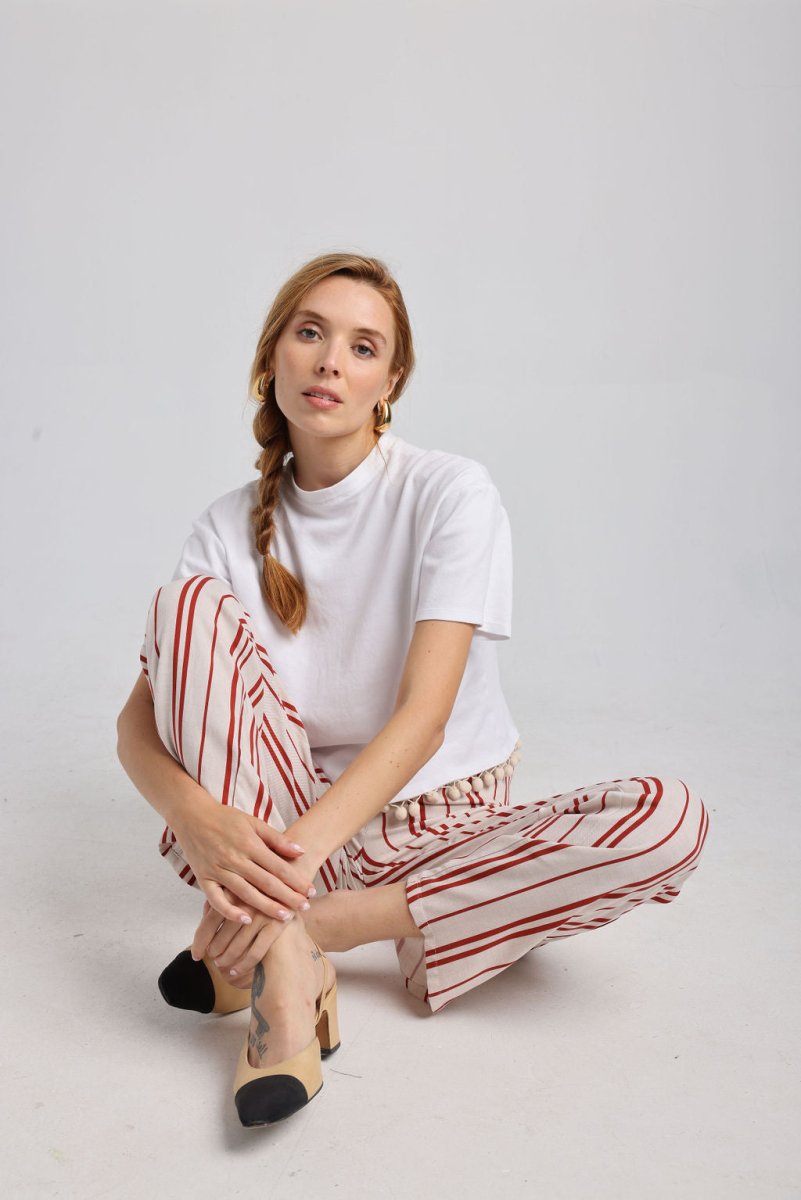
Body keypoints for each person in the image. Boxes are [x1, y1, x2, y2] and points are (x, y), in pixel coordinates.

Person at [116, 251, 710, 1130]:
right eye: (310, 333)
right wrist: (200, 822)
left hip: (430, 827)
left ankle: (303, 933)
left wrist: (285, 883)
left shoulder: (448, 493)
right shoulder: (223, 527)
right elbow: (134, 729)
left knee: (667, 820)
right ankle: (287, 989)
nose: (331, 362)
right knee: (184, 607)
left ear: (389, 382)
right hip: (283, 815)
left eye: (363, 347)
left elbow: (425, 719)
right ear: (271, 355)